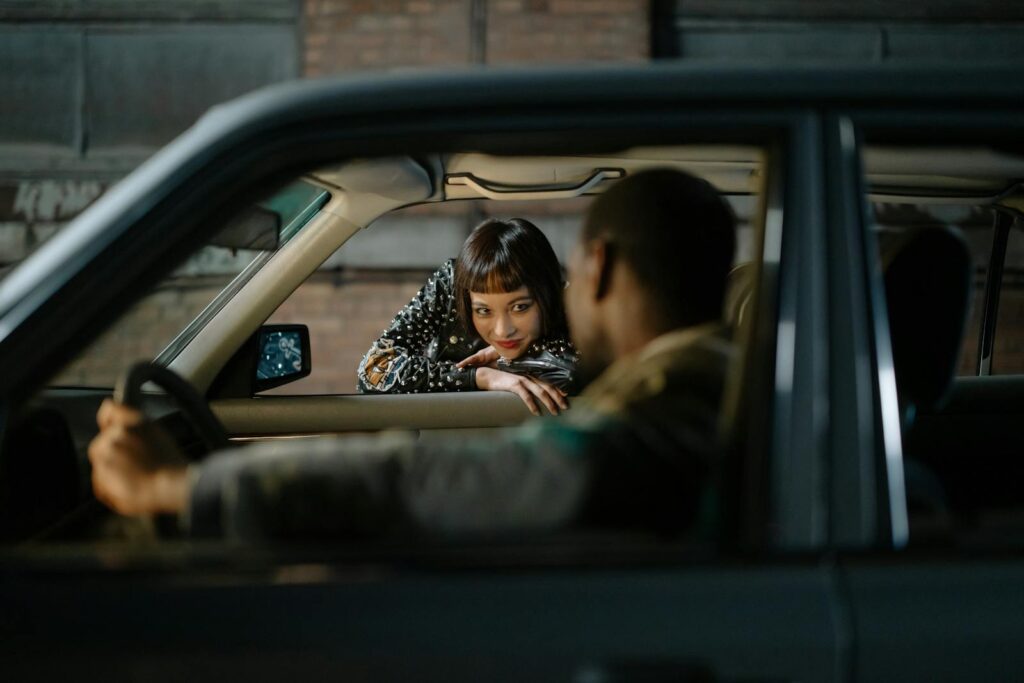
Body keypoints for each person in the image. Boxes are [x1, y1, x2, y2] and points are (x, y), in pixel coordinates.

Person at [88, 169, 737, 540]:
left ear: (594, 271)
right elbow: (378, 370)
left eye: (525, 302)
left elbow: (425, 480)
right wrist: (484, 377)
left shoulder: (672, 414)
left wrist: (180, 485)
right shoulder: (715, 385)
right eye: (485, 308)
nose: (505, 324)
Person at [357, 217, 577, 416]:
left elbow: (588, 369)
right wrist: (479, 377)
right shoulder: (450, 285)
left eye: (519, 307)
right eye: (483, 311)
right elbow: (374, 370)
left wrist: (511, 361)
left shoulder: (571, 303)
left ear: (548, 294)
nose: (502, 330)